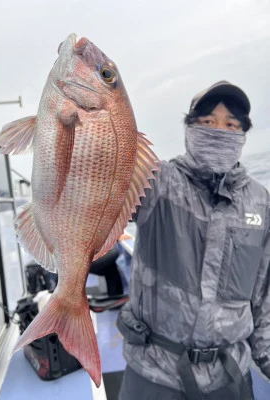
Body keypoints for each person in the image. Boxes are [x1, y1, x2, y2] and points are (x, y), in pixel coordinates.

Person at [117, 81, 270, 400]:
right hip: (155, 374)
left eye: (231, 125)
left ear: (243, 134)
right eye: (208, 123)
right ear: (189, 128)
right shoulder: (157, 181)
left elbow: (263, 295)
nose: (220, 131)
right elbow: (104, 175)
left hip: (230, 376)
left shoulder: (259, 200)